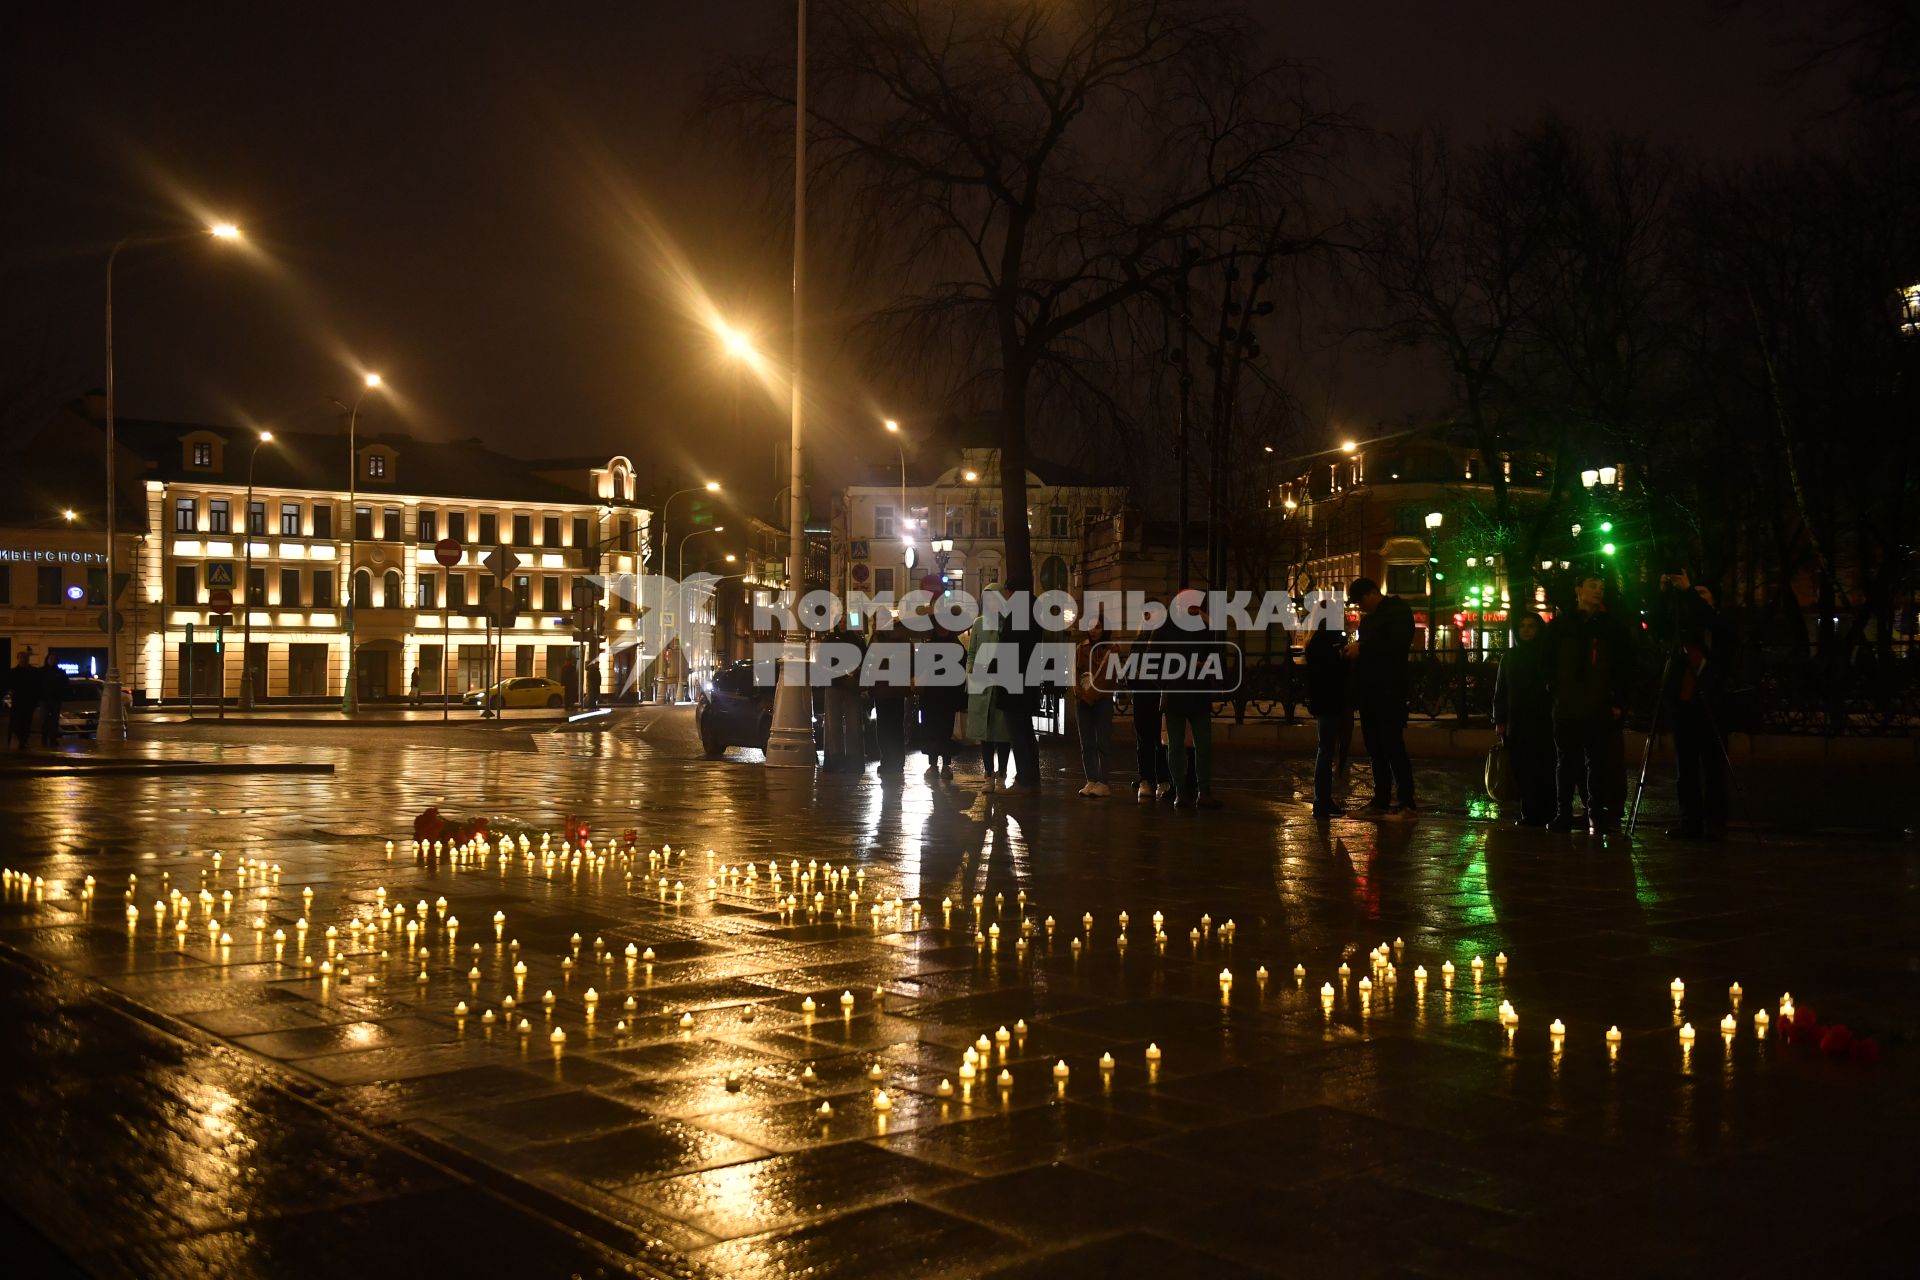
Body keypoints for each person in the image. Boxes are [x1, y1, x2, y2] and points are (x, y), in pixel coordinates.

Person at [1547, 571, 1634, 833]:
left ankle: (1593, 812)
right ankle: (1564, 812)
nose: (1598, 591)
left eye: (1601, 587)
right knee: (1567, 761)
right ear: (1578, 590)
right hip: (1568, 705)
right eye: (1592, 585)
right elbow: (1547, 661)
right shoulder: (1562, 626)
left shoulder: (1610, 626)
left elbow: (1623, 666)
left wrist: (1617, 699)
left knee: (1595, 762)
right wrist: (1555, 688)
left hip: (1597, 705)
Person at [1658, 567, 1729, 839]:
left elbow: (1714, 624)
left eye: (1702, 594)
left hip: (1711, 702)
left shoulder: (1720, 622)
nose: (1695, 598)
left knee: (1713, 765)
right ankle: (1690, 820)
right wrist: (1664, 595)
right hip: (1684, 703)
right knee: (1685, 766)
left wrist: (1689, 592)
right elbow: (1659, 626)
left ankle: (1715, 821)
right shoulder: (1683, 627)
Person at [1345, 577, 1416, 818]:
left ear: (1372, 594)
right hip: (1370, 692)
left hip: (1389, 691)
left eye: (1361, 601)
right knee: (1375, 748)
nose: (1360, 607)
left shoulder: (1398, 612)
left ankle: (1406, 802)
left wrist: (1362, 648)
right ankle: (1381, 800)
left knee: (1392, 746)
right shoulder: (1372, 618)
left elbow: (1396, 645)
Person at [1161, 588, 1223, 809]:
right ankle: (1186, 791)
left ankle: (1195, 791)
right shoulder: (1169, 627)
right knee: (1180, 745)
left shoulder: (1200, 627)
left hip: (1191, 693)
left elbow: (1214, 656)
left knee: (1198, 746)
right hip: (1182, 693)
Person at [1492, 610, 1555, 826]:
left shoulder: (1546, 656)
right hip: (1517, 720)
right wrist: (1500, 721)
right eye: (1522, 626)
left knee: (1544, 766)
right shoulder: (1510, 657)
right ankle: (1529, 812)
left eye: (1531, 626)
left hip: (1543, 720)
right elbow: (1501, 691)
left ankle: (1547, 811)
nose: (1526, 630)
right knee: (1522, 767)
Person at [965, 584, 1012, 790]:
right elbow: (972, 652)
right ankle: (988, 775)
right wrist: (970, 675)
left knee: (1002, 732)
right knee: (984, 732)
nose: (991, 603)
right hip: (982, 683)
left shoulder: (1008, 624)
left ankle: (1002, 774)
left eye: (994, 599)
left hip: (1003, 683)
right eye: (987, 599)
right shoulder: (978, 623)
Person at [1304, 615, 1347, 818]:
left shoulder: (1315, 644)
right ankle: (1322, 800)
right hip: (1330, 702)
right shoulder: (1329, 646)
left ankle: (1323, 799)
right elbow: (1336, 673)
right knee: (1327, 750)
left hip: (1323, 702)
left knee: (1327, 749)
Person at [1129, 606, 1173, 801]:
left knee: (1160, 740)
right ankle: (1146, 779)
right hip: (1141, 696)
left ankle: (1163, 779)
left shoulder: (1166, 640)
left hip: (1158, 695)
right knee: (1143, 740)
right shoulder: (1138, 642)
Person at [1073, 609, 1115, 797]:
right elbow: (1075, 673)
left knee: (1102, 741)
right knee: (1086, 742)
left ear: (1104, 628)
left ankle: (1103, 781)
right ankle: (1091, 779)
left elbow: (1108, 678)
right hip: (1083, 701)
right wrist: (1079, 692)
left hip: (1102, 701)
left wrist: (1090, 695)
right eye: (1090, 627)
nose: (1094, 630)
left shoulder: (1111, 649)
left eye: (1097, 627)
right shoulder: (1081, 648)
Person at [822, 617, 867, 773]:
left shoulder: (850, 639)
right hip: (839, 683)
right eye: (840, 622)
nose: (842, 624)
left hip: (845, 684)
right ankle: (838, 760)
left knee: (850, 723)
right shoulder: (836, 640)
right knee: (835, 723)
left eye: (844, 621)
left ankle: (847, 760)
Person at [869, 612, 911, 776]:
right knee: (893, 726)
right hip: (890, 689)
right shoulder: (888, 637)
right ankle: (893, 761)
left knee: (887, 727)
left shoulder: (880, 638)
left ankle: (889, 761)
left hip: (887, 688)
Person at [7, 651, 38, 749]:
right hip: (18, 701)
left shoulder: (34, 671)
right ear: (18, 659)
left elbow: (37, 686)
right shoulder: (13, 672)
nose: (24, 659)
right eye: (22, 657)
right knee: (17, 722)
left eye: (25, 657)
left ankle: (23, 740)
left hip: (29, 701)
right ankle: (22, 739)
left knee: (27, 722)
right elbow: (9, 685)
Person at [38, 653, 69, 746]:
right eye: (51, 659)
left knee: (54, 721)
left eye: (54, 659)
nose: (52, 661)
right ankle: (44, 739)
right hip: (44, 699)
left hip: (56, 699)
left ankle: (53, 739)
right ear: (47, 660)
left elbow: (65, 684)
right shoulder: (41, 671)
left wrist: (60, 694)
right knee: (44, 720)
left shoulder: (61, 672)